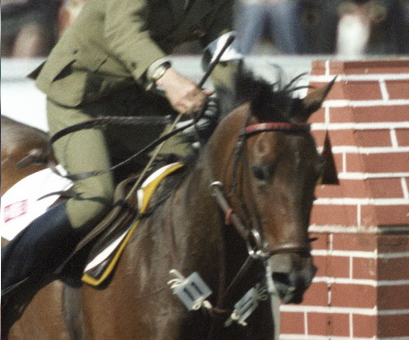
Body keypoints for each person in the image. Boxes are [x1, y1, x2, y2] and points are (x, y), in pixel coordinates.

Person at [1, 0, 242, 318]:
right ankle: (8, 282)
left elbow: (222, 46)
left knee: (199, 175)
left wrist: (240, 100)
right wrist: (168, 79)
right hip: (80, 98)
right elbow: (125, 31)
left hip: (138, 102)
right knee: (95, 198)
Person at [234, 0, 303, 54]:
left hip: (281, 3)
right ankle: (242, 61)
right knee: (255, 13)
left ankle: (292, 61)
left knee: (283, 12)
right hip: (252, 4)